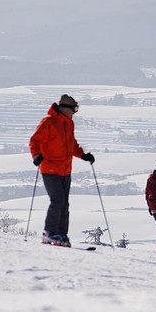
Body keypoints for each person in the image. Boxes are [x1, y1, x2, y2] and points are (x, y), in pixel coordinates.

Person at [29, 94, 95, 247]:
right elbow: (34, 141)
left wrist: (83, 155)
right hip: (50, 169)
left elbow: (71, 145)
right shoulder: (48, 122)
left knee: (64, 203)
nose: (74, 112)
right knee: (57, 200)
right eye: (73, 109)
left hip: (65, 170)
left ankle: (61, 234)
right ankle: (49, 233)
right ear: (65, 109)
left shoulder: (69, 124)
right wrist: (36, 155)